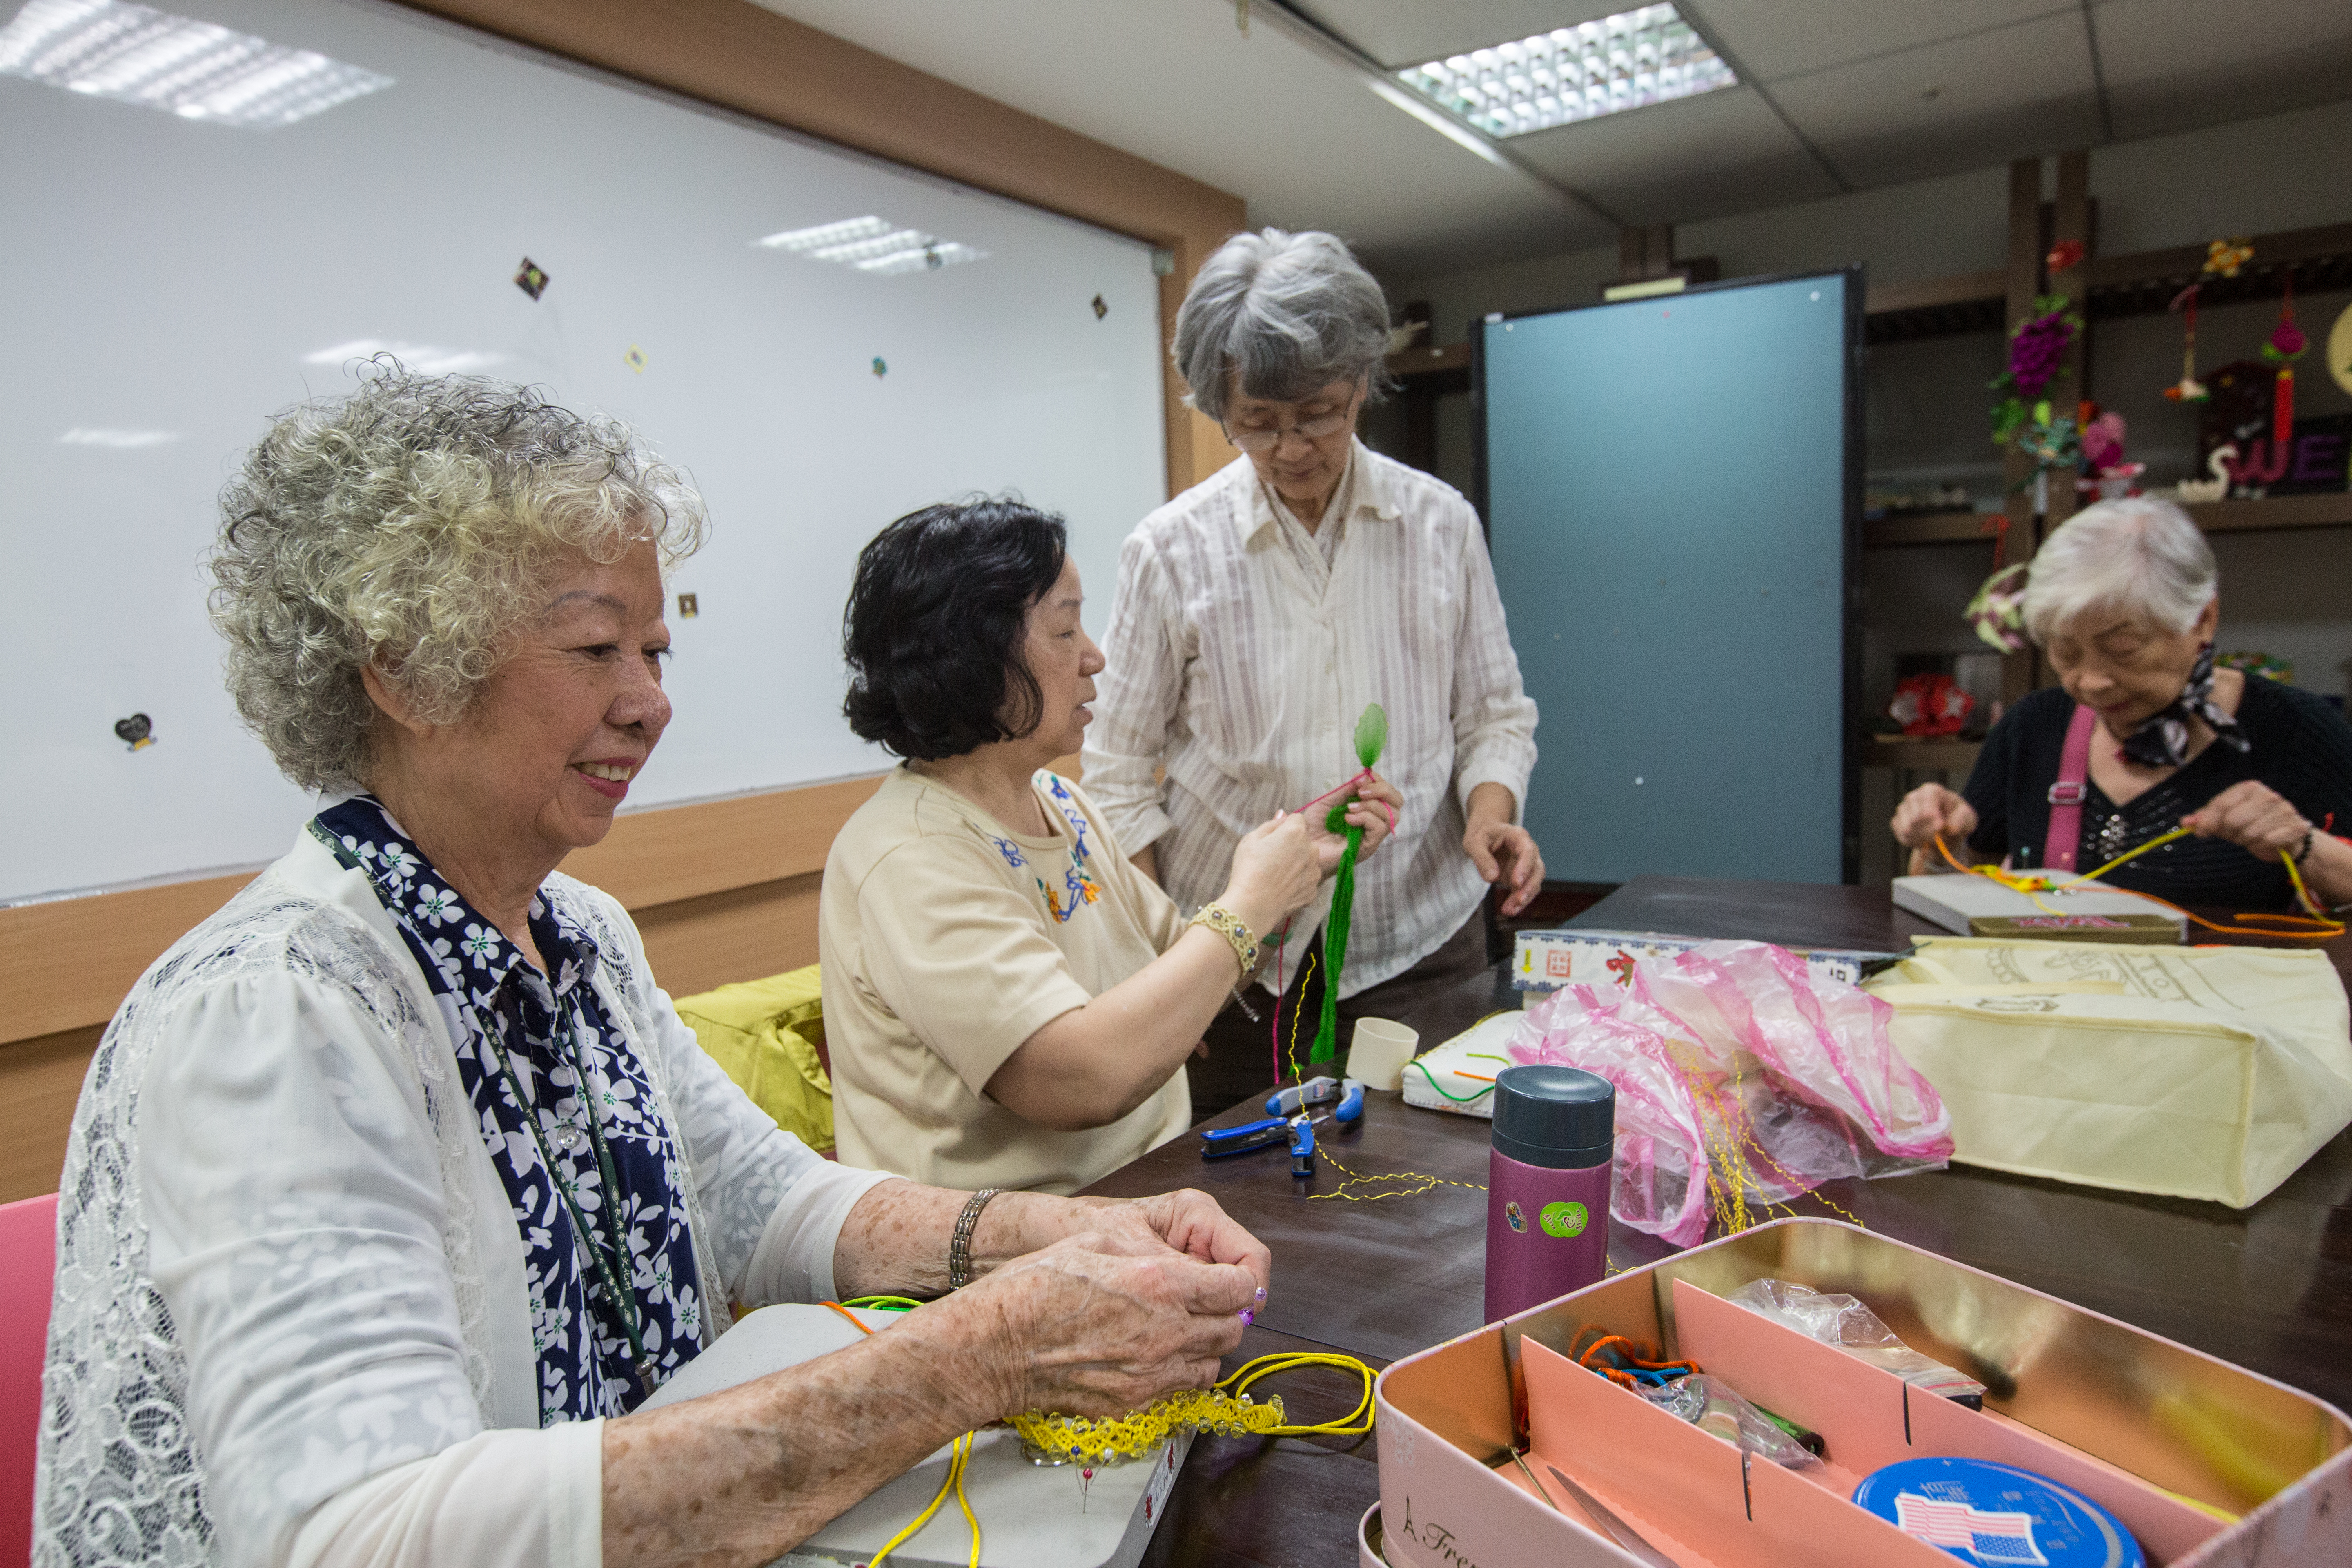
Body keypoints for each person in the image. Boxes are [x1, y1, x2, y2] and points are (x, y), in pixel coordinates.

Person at [34, 368, 1273, 1568]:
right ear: (407, 672)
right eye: (595, 650)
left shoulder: (580, 936)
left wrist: (1065, 1237)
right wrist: (979, 1355)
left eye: (657, 654)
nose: (650, 705)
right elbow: (359, 1532)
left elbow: (770, 1206)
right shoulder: (280, 1010)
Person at [1082, 228, 1541, 1114]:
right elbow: (1115, 774)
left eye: (1319, 414)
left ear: (1364, 381)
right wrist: (1169, 949)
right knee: (1247, 1211)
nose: (1291, 447)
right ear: (1218, 406)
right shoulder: (1172, 552)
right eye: (1255, 422)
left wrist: (1492, 815)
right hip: (1240, 969)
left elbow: (1493, 713)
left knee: (1427, 1205)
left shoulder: (1439, 525)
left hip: (1421, 942)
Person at [821, 498, 1398, 1194]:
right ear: (971, 658)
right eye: (1066, 631)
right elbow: (1081, 1080)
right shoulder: (911, 856)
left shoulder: (1060, 802)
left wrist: (1293, 868)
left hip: (1149, 1191)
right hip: (1016, 1251)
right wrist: (1252, 898)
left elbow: (1183, 980)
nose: (1095, 656)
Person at [1893, 497, 2352, 910]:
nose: (2091, 682)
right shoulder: (2034, 728)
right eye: (2066, 652)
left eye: (2123, 648)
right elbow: (1961, 902)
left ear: (2202, 619)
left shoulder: (2299, 732)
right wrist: (1940, 846)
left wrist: (2302, 845)